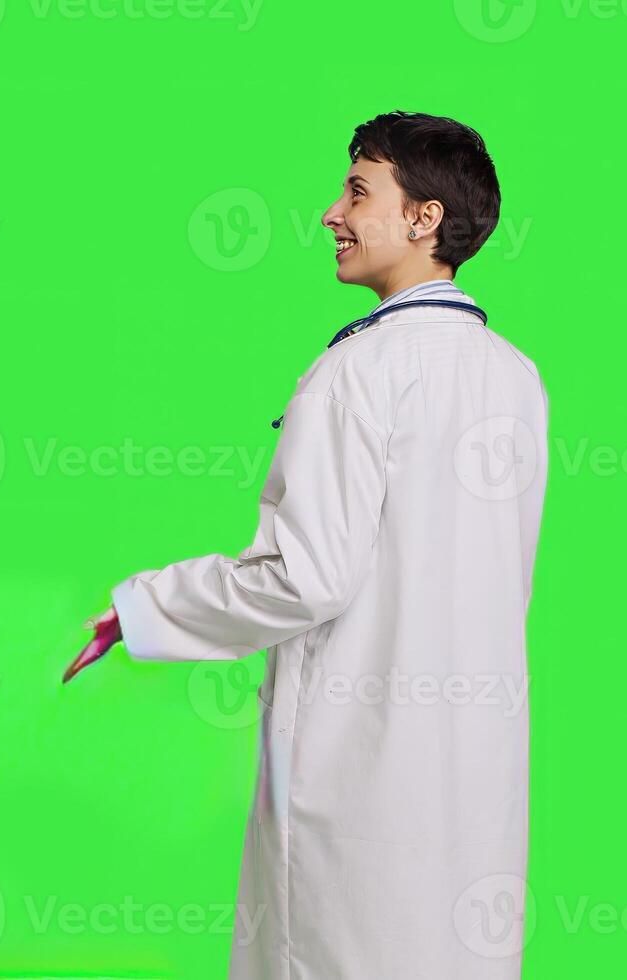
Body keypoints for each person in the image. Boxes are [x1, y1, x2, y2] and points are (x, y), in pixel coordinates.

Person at [67, 111, 547, 979]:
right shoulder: (515, 375)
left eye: (359, 191)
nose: (331, 213)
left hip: (360, 774)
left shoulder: (359, 371)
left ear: (423, 219)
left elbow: (305, 578)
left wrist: (151, 604)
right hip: (474, 775)